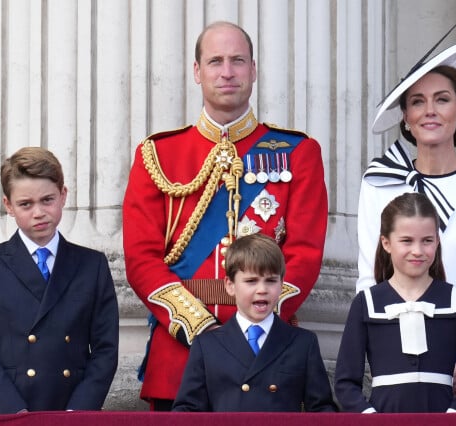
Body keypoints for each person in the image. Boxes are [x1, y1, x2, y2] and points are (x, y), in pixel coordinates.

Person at [122, 21, 328, 410]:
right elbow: (140, 258)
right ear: (197, 72)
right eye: (215, 61)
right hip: (180, 356)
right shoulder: (157, 155)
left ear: (254, 70)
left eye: (237, 60)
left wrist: (254, 323)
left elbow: (304, 252)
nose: (227, 71)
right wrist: (199, 327)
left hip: (267, 354)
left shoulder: (299, 152)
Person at [357, 36, 456, 411]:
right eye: (417, 101)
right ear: (406, 118)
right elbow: (368, 279)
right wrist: (388, 354)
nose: (430, 110)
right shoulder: (380, 183)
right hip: (400, 357)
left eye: (442, 99)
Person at [0, 147, 119, 414]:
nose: (39, 212)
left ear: (63, 196)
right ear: (8, 205)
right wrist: (12, 411)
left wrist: (78, 412)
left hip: (71, 410)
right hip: (8, 412)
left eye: (47, 200)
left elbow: (105, 349)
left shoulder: (92, 265)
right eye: (26, 204)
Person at [336, 192, 456, 412]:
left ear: (437, 241)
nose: (418, 251)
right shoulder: (366, 303)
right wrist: (369, 416)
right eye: (406, 241)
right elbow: (346, 382)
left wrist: (455, 415)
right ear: (386, 243)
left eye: (427, 241)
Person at [172, 233, 337, 412]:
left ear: (282, 284)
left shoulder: (303, 343)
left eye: (271, 281)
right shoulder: (206, 345)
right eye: (251, 281)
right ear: (230, 285)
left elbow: (322, 411)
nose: (262, 290)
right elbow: (187, 412)